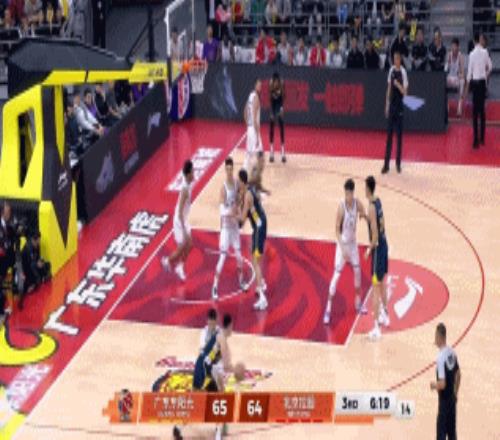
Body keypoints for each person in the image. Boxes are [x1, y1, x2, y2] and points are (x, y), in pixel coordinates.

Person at [192, 314, 242, 439]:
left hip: (202, 366)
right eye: (232, 326)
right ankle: (219, 432)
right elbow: (226, 366)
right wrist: (236, 371)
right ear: (230, 326)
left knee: (217, 394)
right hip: (205, 369)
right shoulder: (222, 339)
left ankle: (179, 427)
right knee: (214, 398)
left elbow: (214, 357)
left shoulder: (218, 334)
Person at [324, 179, 367, 325]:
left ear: (353, 193)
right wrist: (342, 247)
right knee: (336, 276)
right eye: (346, 193)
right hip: (342, 244)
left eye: (349, 193)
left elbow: (363, 212)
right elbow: (336, 229)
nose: (347, 196)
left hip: (353, 244)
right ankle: (328, 308)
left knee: (358, 272)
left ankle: (358, 303)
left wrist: (364, 216)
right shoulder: (341, 206)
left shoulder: (357, 203)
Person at [212, 158, 245, 300]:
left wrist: (239, 208)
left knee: (239, 256)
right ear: (225, 170)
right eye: (228, 169)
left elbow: (240, 199)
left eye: (232, 169)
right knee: (222, 257)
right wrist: (230, 212)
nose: (230, 171)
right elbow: (221, 211)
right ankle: (214, 286)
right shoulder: (223, 189)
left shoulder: (237, 184)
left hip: (234, 227)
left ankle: (241, 281)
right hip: (225, 228)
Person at [238, 169, 268, 311]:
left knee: (255, 261)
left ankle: (263, 298)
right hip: (259, 225)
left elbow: (242, 221)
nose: (237, 184)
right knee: (255, 256)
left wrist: (233, 216)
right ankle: (261, 283)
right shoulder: (248, 190)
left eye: (239, 182)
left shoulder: (248, 196)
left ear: (242, 182)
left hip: (259, 227)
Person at [364, 176, 389, 341]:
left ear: (368, 188)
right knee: (381, 283)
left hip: (378, 249)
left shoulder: (371, 207)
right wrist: (365, 217)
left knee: (375, 288)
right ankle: (385, 315)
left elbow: (374, 237)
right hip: (384, 244)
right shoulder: (378, 202)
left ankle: (375, 328)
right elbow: (378, 224)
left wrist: (368, 250)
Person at [161, 160, 194, 281]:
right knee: (181, 248)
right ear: (188, 174)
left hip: (184, 219)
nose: (194, 173)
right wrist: (184, 230)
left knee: (190, 245)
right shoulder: (185, 190)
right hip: (179, 221)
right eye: (192, 171)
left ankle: (180, 266)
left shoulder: (190, 182)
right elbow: (179, 211)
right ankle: (167, 261)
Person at [430, 323, 460, 440]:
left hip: (444, 403)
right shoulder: (452, 352)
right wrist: (455, 393)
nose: (435, 339)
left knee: (441, 435)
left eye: (435, 336)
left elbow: (442, 384)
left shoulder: (440, 358)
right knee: (452, 434)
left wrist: (434, 385)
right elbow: (458, 374)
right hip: (452, 400)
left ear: (439, 337)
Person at [382, 50, 408, 174]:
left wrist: (398, 85)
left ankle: (398, 164)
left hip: (399, 107)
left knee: (399, 137)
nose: (395, 61)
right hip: (392, 106)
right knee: (389, 137)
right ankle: (386, 165)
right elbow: (388, 88)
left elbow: (405, 93)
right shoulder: (391, 70)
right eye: (394, 59)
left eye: (397, 58)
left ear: (400, 60)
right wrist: (387, 104)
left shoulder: (403, 72)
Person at [464, 33, 492, 148]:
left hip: (475, 84)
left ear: (474, 41)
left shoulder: (471, 54)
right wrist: (485, 75)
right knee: (482, 111)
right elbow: (490, 67)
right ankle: (482, 138)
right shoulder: (485, 52)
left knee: (475, 112)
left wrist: (466, 88)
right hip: (482, 84)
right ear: (479, 41)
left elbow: (469, 73)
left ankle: (475, 139)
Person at [20, 230, 50, 309]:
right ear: (33, 240)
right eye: (38, 241)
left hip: (33, 266)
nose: (39, 243)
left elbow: (37, 257)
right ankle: (33, 284)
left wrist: (40, 262)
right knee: (36, 282)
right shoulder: (27, 250)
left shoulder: (36, 246)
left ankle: (39, 280)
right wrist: (37, 264)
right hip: (27, 271)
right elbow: (29, 265)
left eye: (39, 240)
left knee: (47, 265)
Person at [244, 80, 263, 171]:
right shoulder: (256, 98)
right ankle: (252, 173)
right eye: (259, 85)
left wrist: (248, 124)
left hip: (250, 128)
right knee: (257, 154)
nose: (260, 87)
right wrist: (257, 133)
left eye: (261, 86)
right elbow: (255, 118)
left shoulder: (250, 96)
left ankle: (245, 170)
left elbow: (245, 112)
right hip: (254, 129)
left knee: (249, 154)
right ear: (255, 85)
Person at [445, 38, 466, 117]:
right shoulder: (449, 55)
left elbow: (462, 72)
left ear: (458, 47)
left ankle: (459, 108)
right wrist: (446, 74)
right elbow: (446, 69)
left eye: (454, 46)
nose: (453, 48)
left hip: (457, 78)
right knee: (443, 80)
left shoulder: (460, 56)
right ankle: (446, 106)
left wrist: (460, 75)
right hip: (450, 78)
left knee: (462, 81)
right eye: (452, 46)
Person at [269, 72, 286, 163]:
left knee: (281, 125)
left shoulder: (282, 85)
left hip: (279, 105)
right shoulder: (271, 85)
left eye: (277, 81)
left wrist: (282, 109)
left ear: (278, 81)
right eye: (274, 81)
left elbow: (282, 99)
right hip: (274, 105)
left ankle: (283, 152)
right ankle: (271, 152)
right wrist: (271, 113)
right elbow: (271, 101)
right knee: (271, 125)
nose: (275, 83)